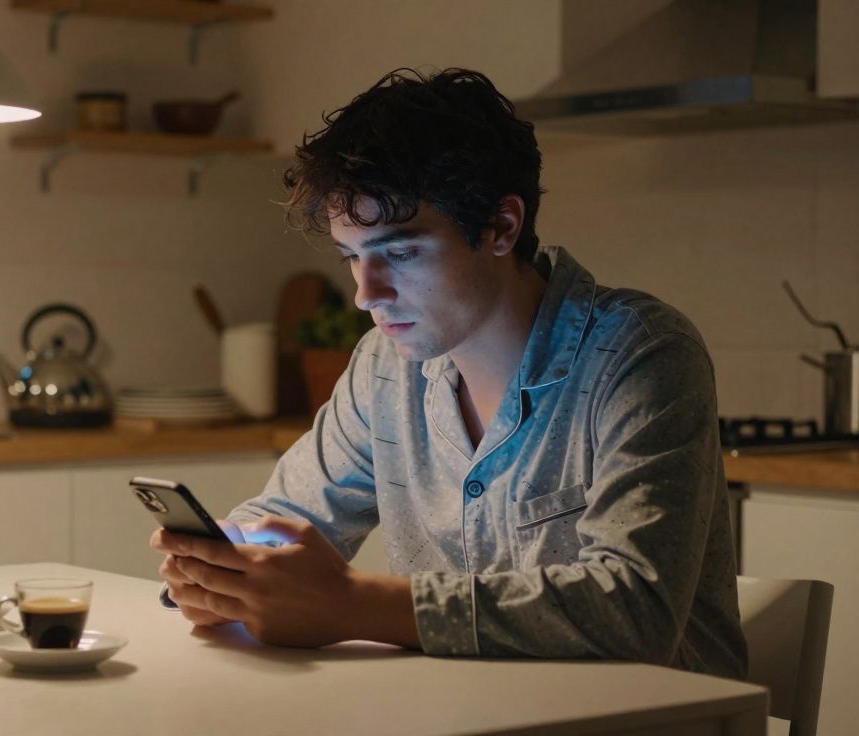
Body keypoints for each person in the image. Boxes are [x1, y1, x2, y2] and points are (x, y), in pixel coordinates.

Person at [149, 67, 748, 679]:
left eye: (401, 252)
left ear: (500, 227)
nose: (365, 294)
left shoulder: (640, 353)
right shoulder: (385, 368)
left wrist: (353, 606)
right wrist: (223, 568)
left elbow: (636, 611)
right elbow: (285, 521)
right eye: (352, 257)